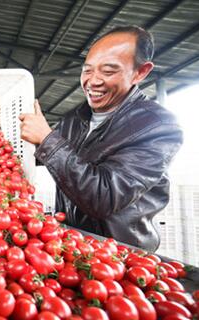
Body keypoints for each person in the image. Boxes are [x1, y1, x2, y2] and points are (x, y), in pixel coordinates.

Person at [19, 26, 183, 251]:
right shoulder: (75, 118)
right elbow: (49, 158)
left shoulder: (157, 127)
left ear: (140, 72)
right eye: (87, 70)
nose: (92, 82)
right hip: (71, 246)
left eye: (108, 71)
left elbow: (103, 196)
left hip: (119, 256)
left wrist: (47, 139)